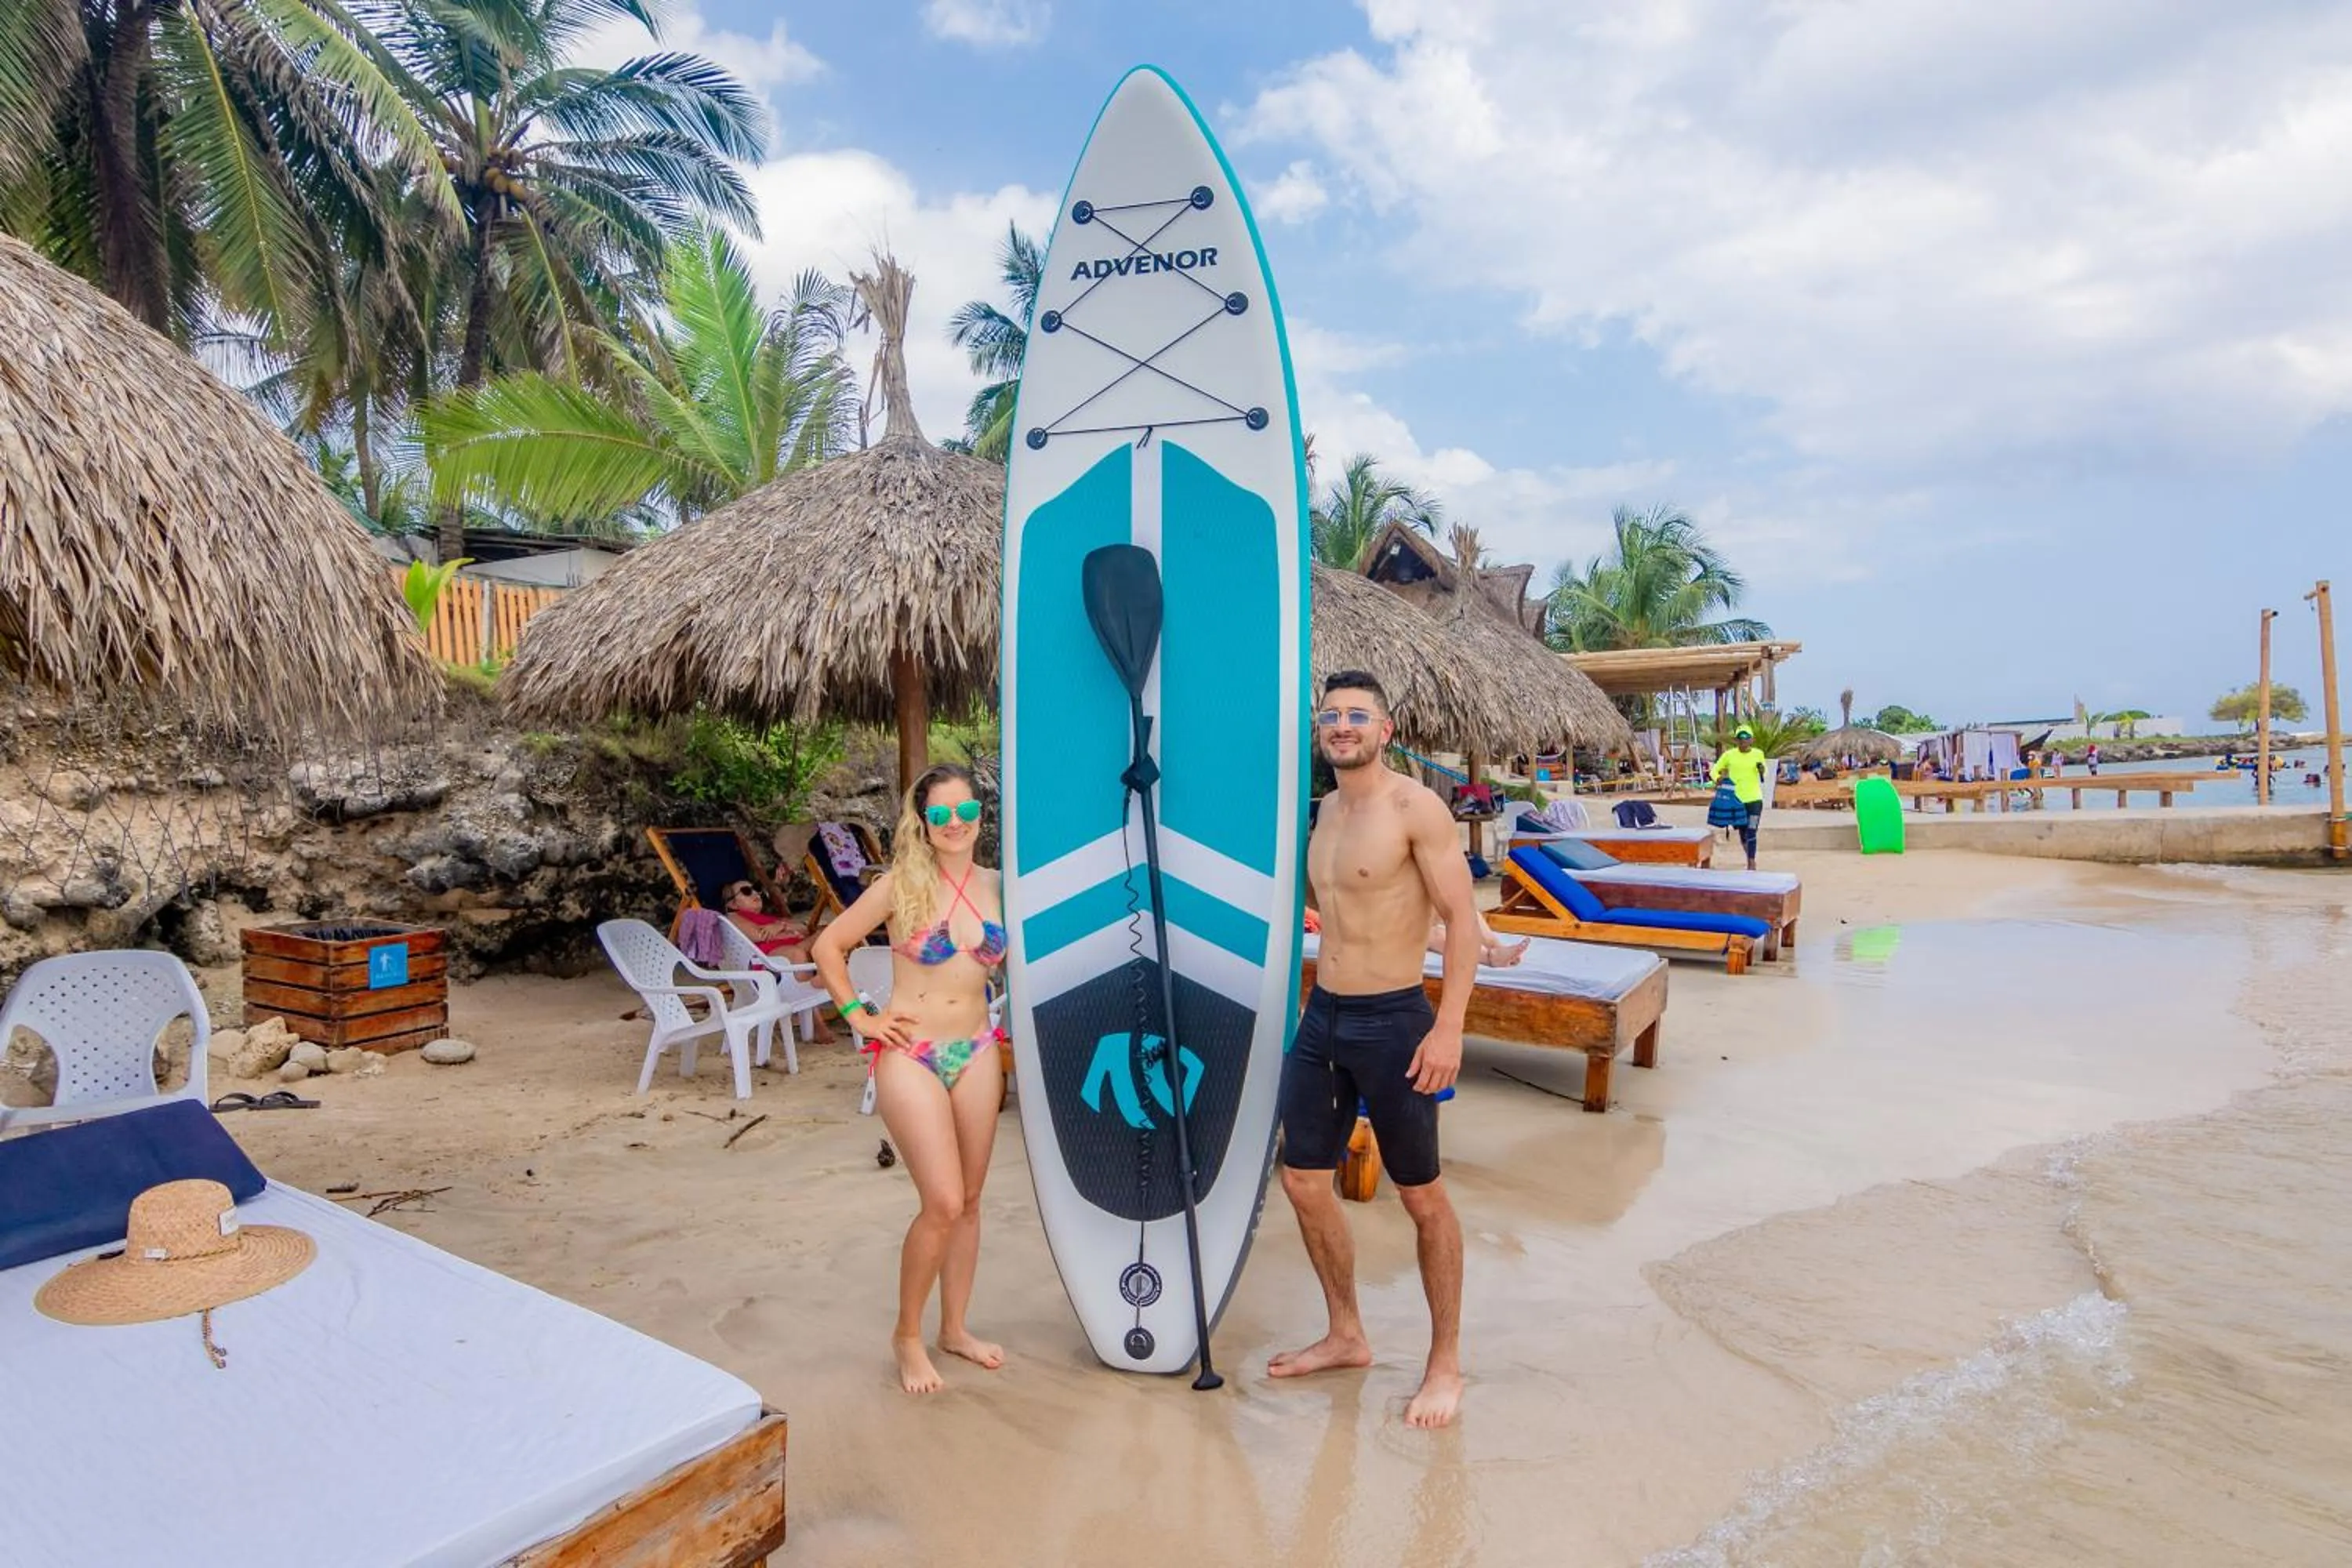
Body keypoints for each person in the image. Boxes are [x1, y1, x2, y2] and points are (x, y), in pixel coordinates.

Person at [1272, 670, 1478, 1429]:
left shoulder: (1416, 807)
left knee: (1422, 1194)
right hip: (1323, 1017)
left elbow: (1461, 917)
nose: (1342, 725)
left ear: (1386, 729)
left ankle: (1445, 1361)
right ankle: (1346, 1332)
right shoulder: (1322, 809)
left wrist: (1448, 1024)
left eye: (1358, 715)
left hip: (1395, 1021)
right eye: (1332, 715)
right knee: (1303, 1180)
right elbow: (1352, 905)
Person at [811, 764, 1008, 1396]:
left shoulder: (1000, 885)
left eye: (965, 811)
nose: (956, 824)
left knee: (972, 1204)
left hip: (977, 1049)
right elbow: (827, 947)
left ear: (981, 813)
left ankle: (955, 1328)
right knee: (943, 1202)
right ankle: (907, 1335)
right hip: (913, 1052)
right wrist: (860, 1018)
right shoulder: (902, 885)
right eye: (941, 814)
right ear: (923, 823)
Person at [1709, 724, 1770, 871]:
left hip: (1755, 800)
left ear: (1752, 740)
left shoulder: (1758, 754)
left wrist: (1762, 770)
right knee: (1743, 833)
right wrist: (1718, 779)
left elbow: (1765, 772)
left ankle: (1751, 862)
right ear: (1736, 740)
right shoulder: (1729, 755)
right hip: (1736, 801)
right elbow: (1714, 771)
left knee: (1752, 830)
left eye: (1746, 738)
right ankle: (1749, 856)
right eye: (1740, 738)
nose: (1743, 741)